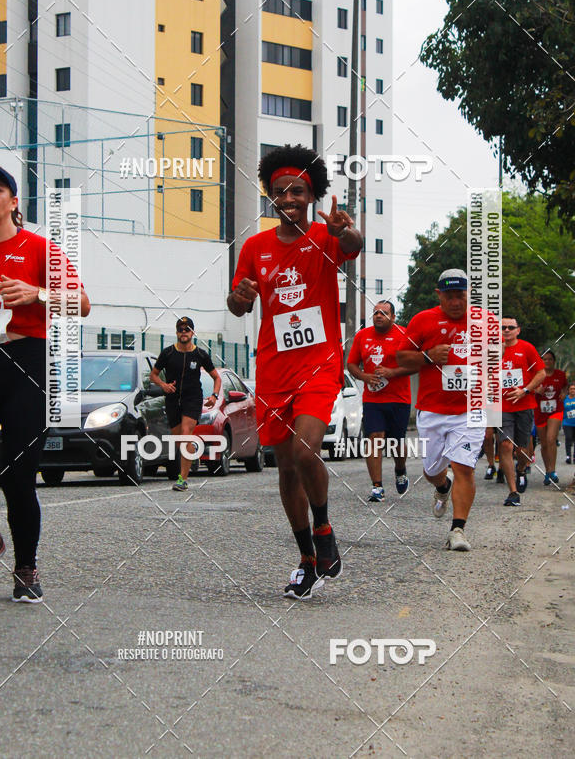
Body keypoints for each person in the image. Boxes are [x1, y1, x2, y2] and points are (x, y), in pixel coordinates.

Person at [227, 144, 362, 599]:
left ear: (311, 195)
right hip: (274, 367)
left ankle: (323, 527)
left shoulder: (326, 237)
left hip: (319, 363)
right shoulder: (255, 247)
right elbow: (238, 303)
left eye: (298, 191)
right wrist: (240, 297)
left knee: (306, 451)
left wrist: (347, 231)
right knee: (285, 467)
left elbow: (353, 246)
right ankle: (306, 559)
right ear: (271, 195)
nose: (288, 198)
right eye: (280, 191)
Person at [0, 164, 90, 602]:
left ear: (13, 201)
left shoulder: (39, 248)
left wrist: (37, 294)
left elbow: (82, 304)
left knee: (18, 474)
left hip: (26, 365)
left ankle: (26, 566)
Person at [396, 269, 486, 552]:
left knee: (464, 467)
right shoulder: (423, 320)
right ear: (439, 295)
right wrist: (427, 356)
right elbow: (401, 357)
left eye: (461, 295)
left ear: (469, 294)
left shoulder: (484, 321)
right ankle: (442, 486)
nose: (456, 302)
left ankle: (457, 530)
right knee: (432, 470)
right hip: (432, 410)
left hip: (470, 410)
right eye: (449, 296)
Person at [347, 300, 412, 502]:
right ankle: (377, 487)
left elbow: (414, 364)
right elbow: (351, 364)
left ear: (393, 317)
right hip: (373, 399)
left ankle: (400, 470)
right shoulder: (362, 336)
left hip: (399, 398)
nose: (378, 315)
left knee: (396, 442)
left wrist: (392, 372)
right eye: (375, 312)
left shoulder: (404, 334)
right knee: (375, 437)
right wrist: (364, 376)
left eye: (383, 313)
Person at [150, 317, 221, 491]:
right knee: (180, 441)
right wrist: (163, 385)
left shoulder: (200, 355)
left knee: (185, 434)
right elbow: (153, 375)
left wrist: (214, 395)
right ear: (176, 333)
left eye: (187, 330)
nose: (184, 333)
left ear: (192, 333)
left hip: (192, 399)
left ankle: (183, 479)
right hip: (173, 399)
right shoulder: (167, 353)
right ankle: (191, 454)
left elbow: (216, 377)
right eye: (180, 330)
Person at [496, 318, 545, 504]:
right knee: (505, 445)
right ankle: (513, 491)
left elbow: (541, 373)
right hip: (501, 406)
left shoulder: (527, 348)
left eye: (511, 327)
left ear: (518, 330)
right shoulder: (492, 349)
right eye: (503, 327)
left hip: (524, 404)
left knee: (522, 449)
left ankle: (521, 469)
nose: (506, 330)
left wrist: (525, 390)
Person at [533, 349, 567, 485]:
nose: (547, 361)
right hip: (540, 412)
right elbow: (527, 389)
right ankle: (547, 471)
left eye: (550, 359)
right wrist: (536, 390)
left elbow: (565, 387)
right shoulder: (536, 375)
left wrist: (564, 393)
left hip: (556, 410)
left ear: (554, 361)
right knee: (544, 443)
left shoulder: (560, 374)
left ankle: (553, 471)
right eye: (544, 359)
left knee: (551, 438)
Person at [563, 382, 575, 465]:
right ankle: (568, 456)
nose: (573, 390)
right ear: (568, 390)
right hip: (567, 423)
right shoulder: (565, 399)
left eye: (574, 389)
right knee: (568, 438)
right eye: (571, 389)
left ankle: (574, 456)